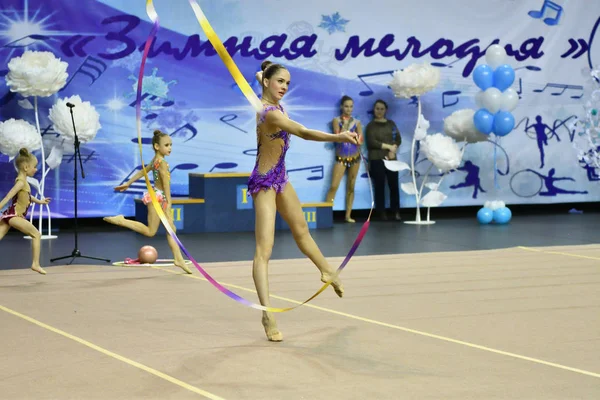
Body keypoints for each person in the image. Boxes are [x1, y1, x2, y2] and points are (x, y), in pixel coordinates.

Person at [251, 60, 358, 341]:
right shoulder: (270, 113)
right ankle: (267, 314)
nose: (285, 87)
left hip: (280, 178)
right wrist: (339, 136)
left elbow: (262, 74)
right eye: (279, 82)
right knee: (265, 250)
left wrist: (263, 71)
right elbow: (304, 132)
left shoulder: (268, 93)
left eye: (287, 83)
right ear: (267, 84)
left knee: (301, 231)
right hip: (264, 183)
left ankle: (326, 271)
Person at [103, 130, 191, 274]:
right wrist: (169, 202)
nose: (170, 148)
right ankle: (122, 220)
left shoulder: (156, 160)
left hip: (157, 196)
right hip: (159, 198)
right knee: (152, 231)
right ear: (157, 146)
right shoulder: (161, 162)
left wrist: (128, 183)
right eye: (167, 145)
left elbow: (142, 172)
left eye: (171, 145)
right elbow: (166, 183)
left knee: (171, 229)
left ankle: (178, 258)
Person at [0, 148, 51, 274]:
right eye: (34, 166)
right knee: (36, 235)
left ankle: (35, 263)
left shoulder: (24, 183)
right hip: (15, 216)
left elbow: (27, 196)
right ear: (25, 167)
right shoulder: (21, 182)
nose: (36, 169)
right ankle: (35, 263)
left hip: (10, 216)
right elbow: (8, 197)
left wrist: (40, 202)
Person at [325, 95, 363, 223]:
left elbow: (360, 141)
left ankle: (348, 215)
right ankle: (326, 214)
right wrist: (346, 126)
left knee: (351, 186)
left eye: (351, 106)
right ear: (342, 107)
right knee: (334, 185)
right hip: (341, 157)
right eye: (346, 106)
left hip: (355, 157)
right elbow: (338, 137)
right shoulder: (336, 120)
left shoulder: (357, 123)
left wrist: (356, 136)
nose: (349, 109)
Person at [365, 99, 402, 221]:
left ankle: (396, 211)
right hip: (376, 159)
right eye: (377, 109)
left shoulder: (391, 124)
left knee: (394, 186)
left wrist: (393, 149)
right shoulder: (371, 126)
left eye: (382, 109)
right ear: (374, 110)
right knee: (379, 186)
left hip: (392, 159)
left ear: (386, 110)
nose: (379, 111)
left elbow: (398, 139)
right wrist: (388, 147)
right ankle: (381, 212)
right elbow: (371, 142)